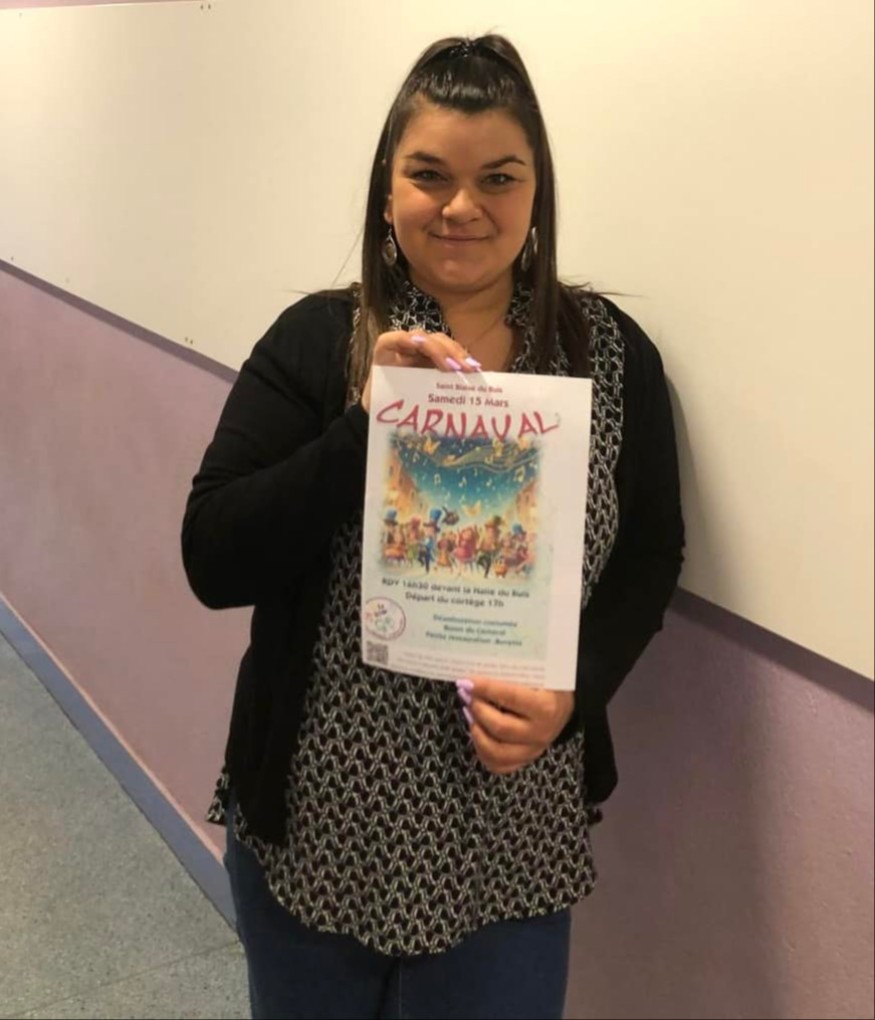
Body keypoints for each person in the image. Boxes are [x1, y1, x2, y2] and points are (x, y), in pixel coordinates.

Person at [181, 34, 684, 1020]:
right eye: (428, 175)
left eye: (497, 177)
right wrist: (366, 428)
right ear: (386, 192)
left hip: (513, 837)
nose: (462, 207)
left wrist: (573, 690)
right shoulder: (319, 342)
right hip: (321, 826)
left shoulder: (605, 356)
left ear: (536, 193)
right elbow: (213, 556)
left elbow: (648, 555)